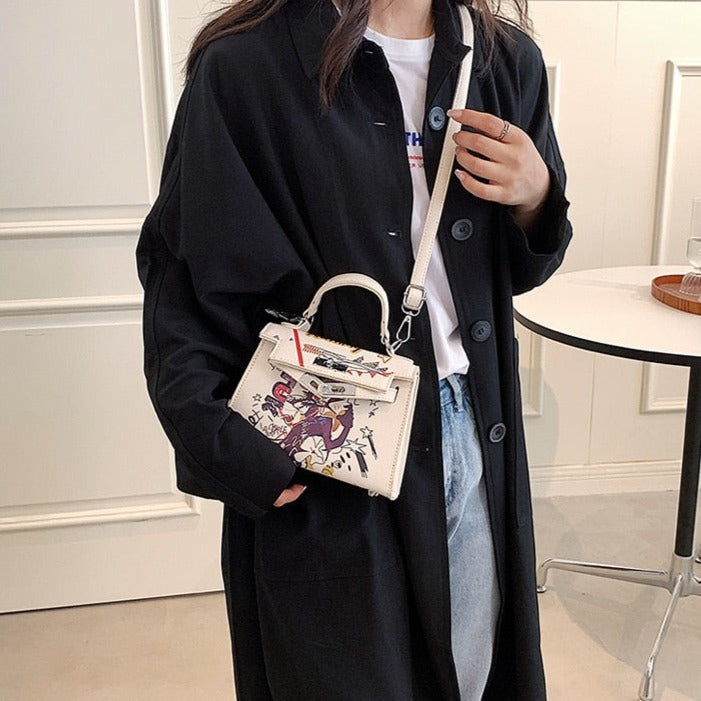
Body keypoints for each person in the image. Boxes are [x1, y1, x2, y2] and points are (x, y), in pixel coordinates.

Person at [136, 0, 572, 698]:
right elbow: (185, 286)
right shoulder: (246, 65)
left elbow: (518, 269)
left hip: (469, 426)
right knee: (341, 674)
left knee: (469, 674)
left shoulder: (502, 60)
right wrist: (233, 451)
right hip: (324, 439)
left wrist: (535, 194)